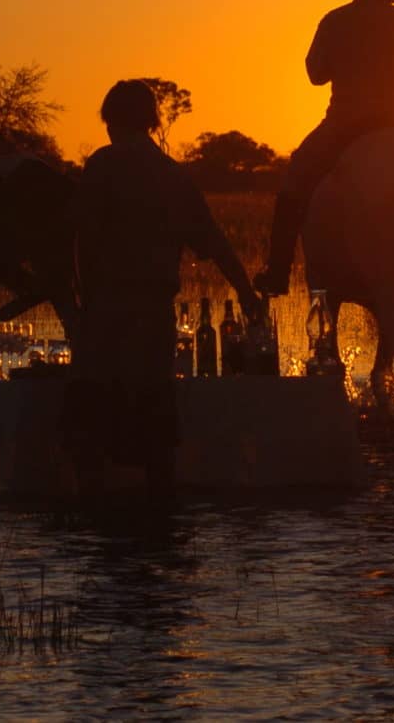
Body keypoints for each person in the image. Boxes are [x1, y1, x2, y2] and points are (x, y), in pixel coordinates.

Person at [70, 79, 262, 493]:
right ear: (152, 121)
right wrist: (246, 292)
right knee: (154, 406)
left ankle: (97, 505)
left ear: (111, 121)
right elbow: (216, 242)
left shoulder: (101, 165)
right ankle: (159, 505)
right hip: (155, 310)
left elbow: (83, 240)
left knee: (94, 407)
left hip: (106, 307)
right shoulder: (172, 175)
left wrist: (83, 303)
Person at [253, 0, 394, 295]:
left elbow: (315, 74)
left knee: (295, 182)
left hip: (344, 125)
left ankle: (278, 271)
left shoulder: (335, 20)